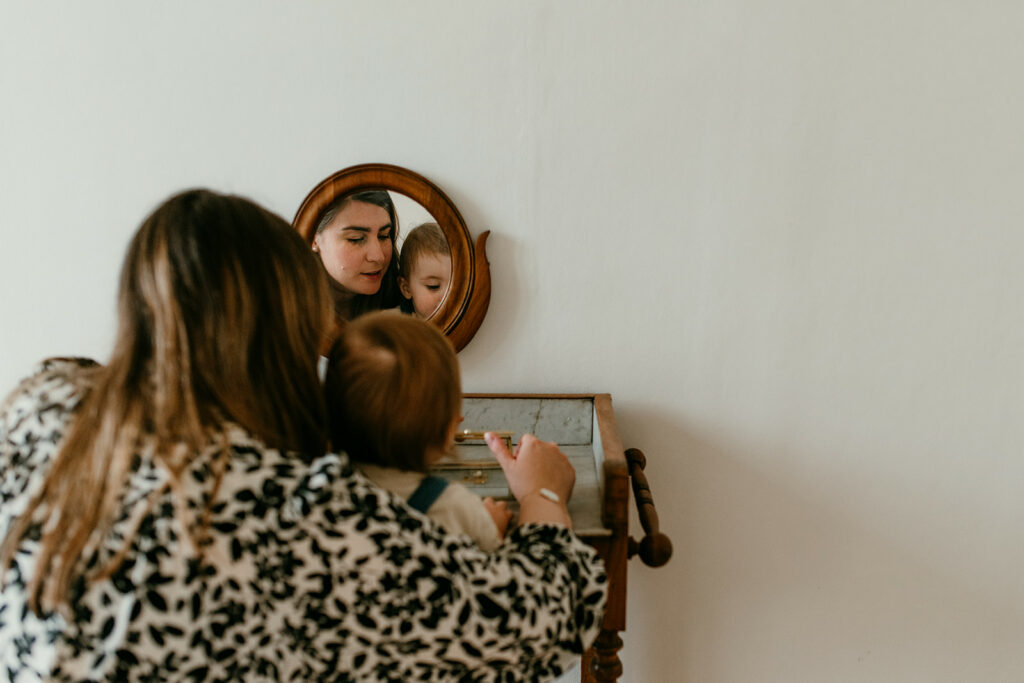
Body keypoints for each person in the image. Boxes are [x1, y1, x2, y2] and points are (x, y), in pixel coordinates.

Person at [0, 188, 606, 681]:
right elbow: (535, 622)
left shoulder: (39, 403)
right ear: (287, 321)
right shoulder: (290, 508)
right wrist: (543, 497)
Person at [324, 311, 512, 551]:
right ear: (445, 426)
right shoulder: (453, 507)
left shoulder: (322, 492)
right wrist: (490, 526)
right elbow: (492, 574)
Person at [311, 189, 403, 321]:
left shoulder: (409, 301)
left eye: (384, 236)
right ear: (315, 239)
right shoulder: (284, 310)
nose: (378, 257)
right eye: (356, 238)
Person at [397, 222, 452, 318]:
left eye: (457, 286)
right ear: (406, 289)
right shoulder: (393, 325)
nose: (447, 296)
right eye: (433, 286)